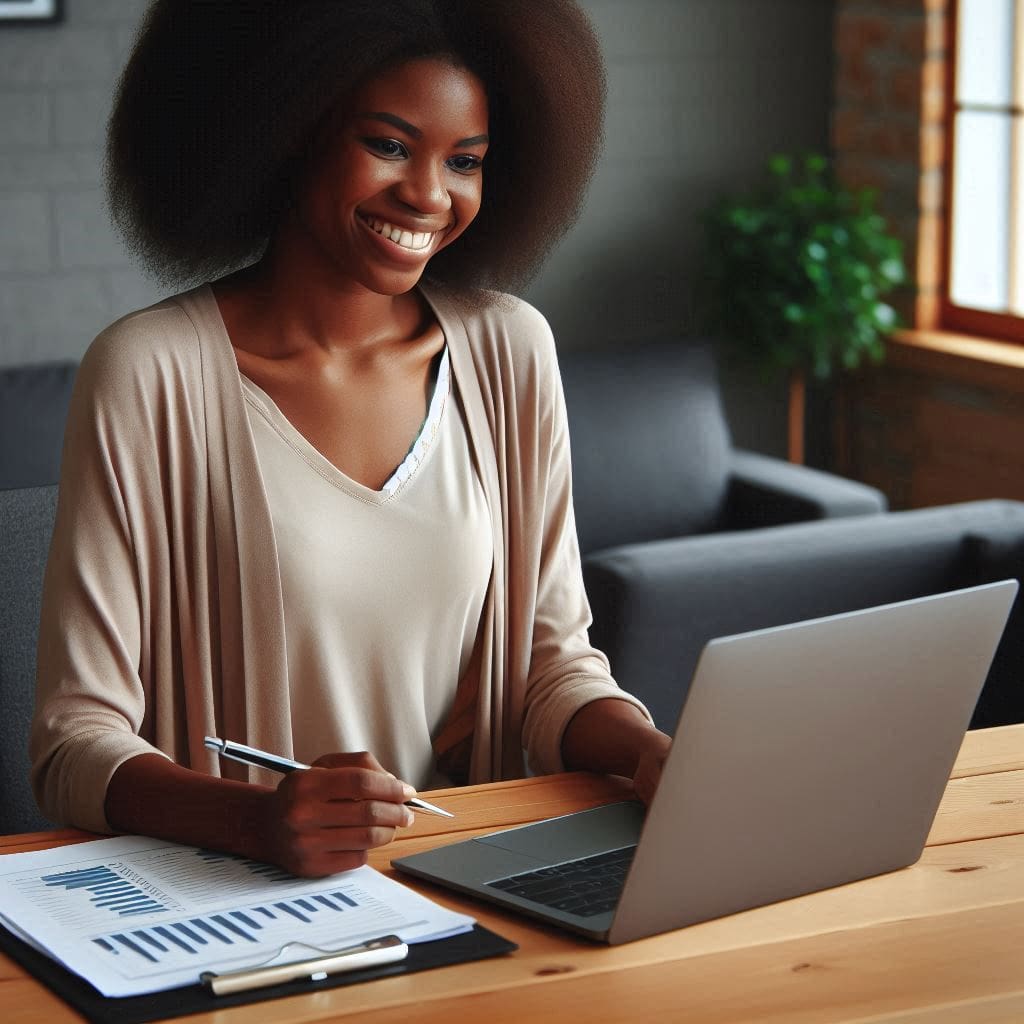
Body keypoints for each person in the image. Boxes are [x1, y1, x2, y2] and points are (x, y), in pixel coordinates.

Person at [30, 0, 670, 878]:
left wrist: (648, 751)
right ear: (287, 131)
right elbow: (73, 744)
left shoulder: (509, 351)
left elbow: (551, 672)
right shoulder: (150, 373)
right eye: (390, 145)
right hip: (240, 909)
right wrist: (257, 821)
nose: (430, 196)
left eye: (467, 160)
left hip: (467, 887)